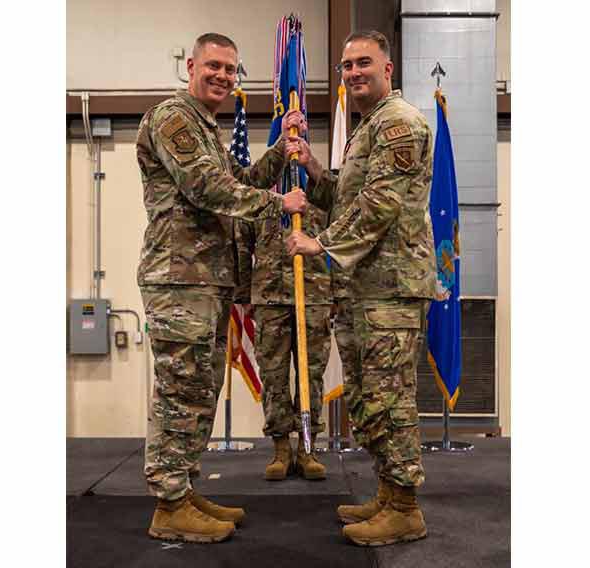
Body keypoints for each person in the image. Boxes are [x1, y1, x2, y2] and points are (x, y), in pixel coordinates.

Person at [136, 32, 307, 544]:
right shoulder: (173, 118)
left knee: (200, 391)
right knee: (179, 393)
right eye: (214, 66)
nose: (223, 77)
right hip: (179, 280)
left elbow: (243, 178)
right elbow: (206, 189)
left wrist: (281, 151)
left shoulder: (208, 129)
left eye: (231, 70)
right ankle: (168, 503)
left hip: (207, 283)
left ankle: (184, 491)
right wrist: (280, 205)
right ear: (191, 65)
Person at [284, 30, 436, 547]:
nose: (353, 74)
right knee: (370, 399)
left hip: (391, 290)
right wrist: (310, 168)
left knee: (390, 400)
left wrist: (319, 246)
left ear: (387, 69)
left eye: (363, 63)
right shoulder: (366, 129)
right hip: (364, 289)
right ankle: (388, 496)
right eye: (346, 67)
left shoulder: (399, 125)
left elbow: (379, 208)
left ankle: (406, 508)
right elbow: (350, 200)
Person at [234, 200, 332, 481]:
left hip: (314, 294)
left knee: (311, 375)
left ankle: (307, 449)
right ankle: (280, 449)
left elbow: (339, 242)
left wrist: (336, 291)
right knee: (274, 377)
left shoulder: (318, 192)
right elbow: (243, 242)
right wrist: (244, 294)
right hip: (269, 296)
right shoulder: (260, 196)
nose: (293, 153)